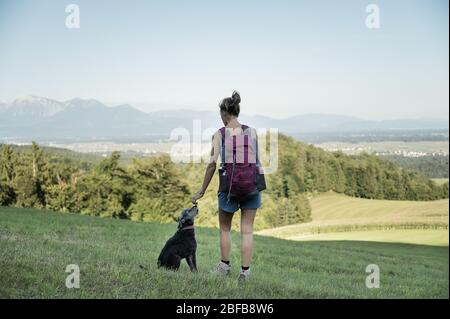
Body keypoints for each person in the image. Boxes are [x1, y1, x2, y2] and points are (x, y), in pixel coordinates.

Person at [191, 91, 262, 281]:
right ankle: (245, 273)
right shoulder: (252, 131)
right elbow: (257, 162)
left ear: (225, 113)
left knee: (225, 229)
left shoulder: (219, 134)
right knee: (247, 229)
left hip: (229, 189)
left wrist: (201, 191)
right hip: (251, 188)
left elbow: (212, 164)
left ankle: (224, 267)